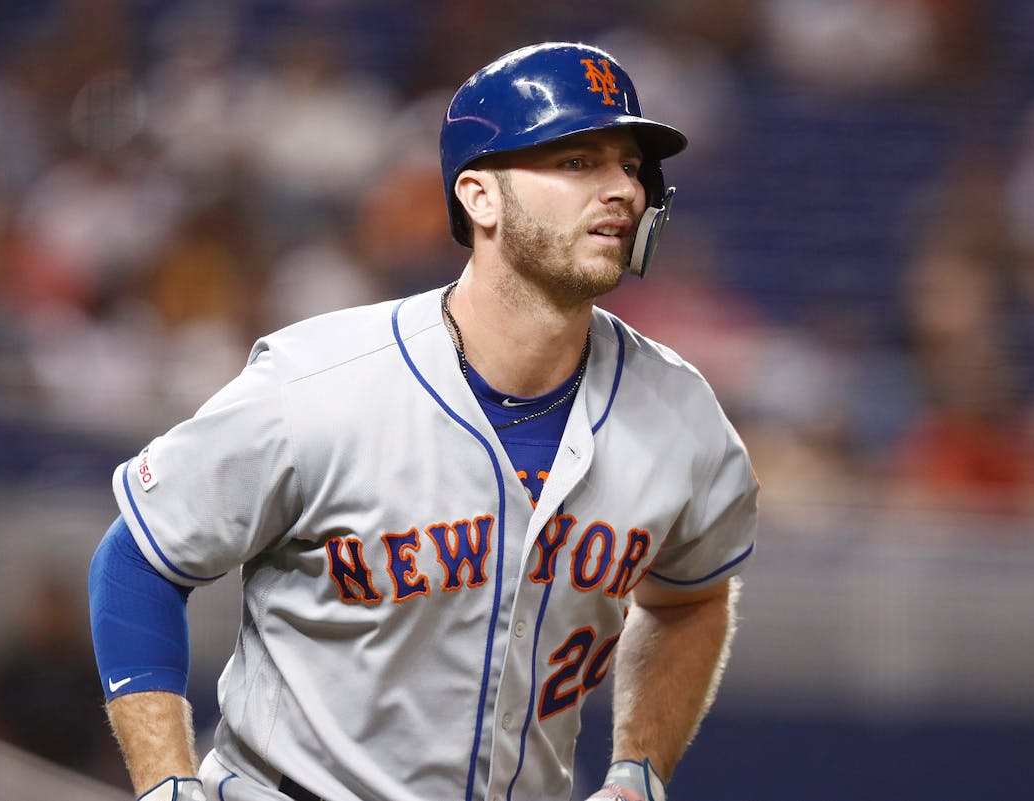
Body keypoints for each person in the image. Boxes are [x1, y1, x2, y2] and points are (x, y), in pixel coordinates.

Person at [87, 42, 758, 801]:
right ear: (479, 197)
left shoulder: (680, 414)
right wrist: (164, 783)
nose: (622, 190)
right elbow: (139, 559)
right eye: (577, 162)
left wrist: (639, 766)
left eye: (631, 166)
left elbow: (693, 597)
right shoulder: (320, 382)